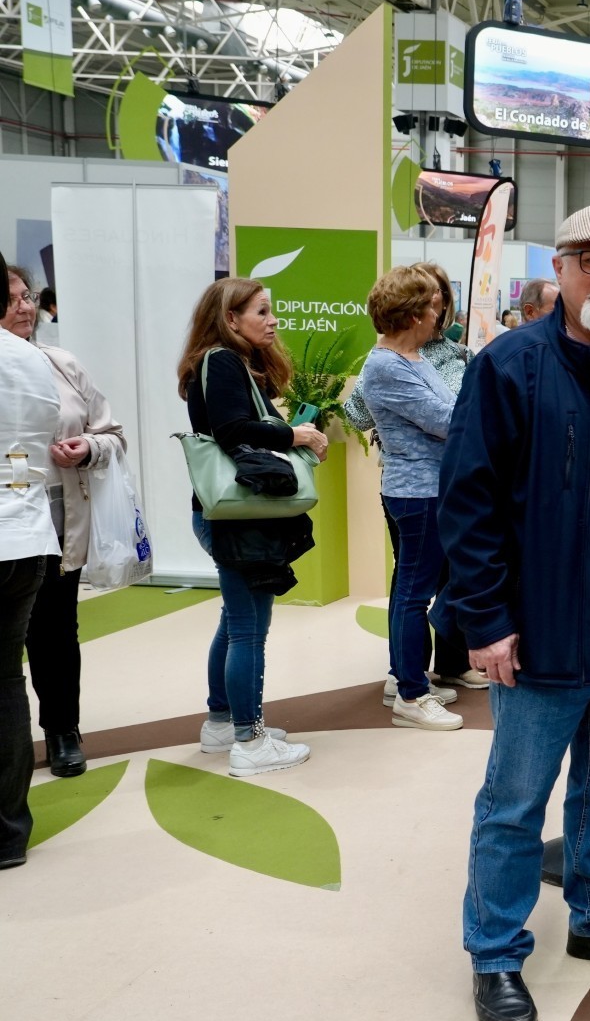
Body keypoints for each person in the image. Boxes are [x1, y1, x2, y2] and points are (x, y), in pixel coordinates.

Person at [439, 203, 590, 1021]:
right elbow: (466, 502)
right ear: (560, 270)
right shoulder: (512, 366)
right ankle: (496, 952)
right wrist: (486, 620)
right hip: (544, 629)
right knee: (515, 801)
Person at [178, 278, 328, 776]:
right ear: (230, 318)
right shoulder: (221, 361)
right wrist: (295, 433)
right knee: (248, 629)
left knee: (235, 621)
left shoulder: (226, 362)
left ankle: (222, 721)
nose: (273, 321)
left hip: (225, 513)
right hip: (236, 517)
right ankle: (249, 739)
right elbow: (232, 431)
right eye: (261, 311)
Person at [5, 264, 127, 778]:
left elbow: (113, 433)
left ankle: (61, 731)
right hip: (8, 518)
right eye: (10, 298)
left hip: (58, 522)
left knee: (56, 632)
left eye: (27, 295)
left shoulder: (62, 363)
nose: (24, 306)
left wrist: (88, 448)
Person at [345, 264, 484, 701]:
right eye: (430, 308)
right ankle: (410, 692)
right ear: (411, 315)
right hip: (416, 491)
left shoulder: (413, 357)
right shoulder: (386, 366)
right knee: (413, 594)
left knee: (422, 589)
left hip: (432, 489)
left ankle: (417, 682)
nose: (436, 316)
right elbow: (448, 419)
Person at [1, 258, 60, 869]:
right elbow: (43, 431)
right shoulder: (30, 360)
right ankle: (9, 832)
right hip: (25, 532)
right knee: (5, 679)